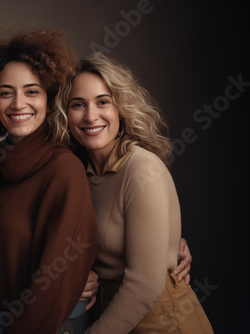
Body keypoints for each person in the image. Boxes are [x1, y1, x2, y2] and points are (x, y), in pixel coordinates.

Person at [63, 52, 213, 333]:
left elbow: (144, 285)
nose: (90, 115)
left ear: (120, 107)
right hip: (111, 314)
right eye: (77, 105)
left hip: (162, 320)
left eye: (103, 102)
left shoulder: (142, 169)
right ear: (64, 114)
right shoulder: (77, 173)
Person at [0, 28, 98, 334]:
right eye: (5, 92)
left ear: (50, 97)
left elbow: (52, 285)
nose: (17, 104)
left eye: (31, 91)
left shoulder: (63, 168)